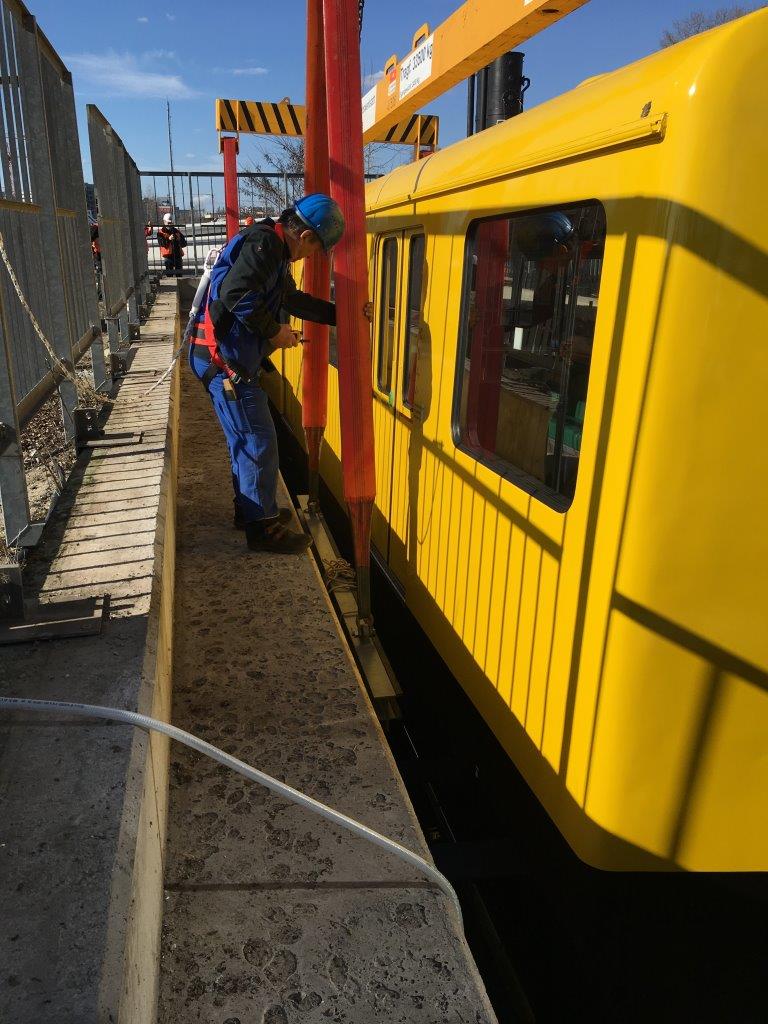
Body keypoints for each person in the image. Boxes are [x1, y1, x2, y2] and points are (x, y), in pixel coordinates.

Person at [189, 193, 372, 554]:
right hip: (224, 364)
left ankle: (251, 512)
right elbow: (235, 293)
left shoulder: (270, 247)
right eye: (315, 248)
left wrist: (343, 314)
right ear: (304, 237)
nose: (311, 255)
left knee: (244, 439)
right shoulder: (265, 247)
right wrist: (275, 332)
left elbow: (291, 300)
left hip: (220, 359)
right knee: (258, 440)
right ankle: (263, 530)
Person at [157, 212, 186, 277]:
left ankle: (180, 286)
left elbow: (184, 244)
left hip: (178, 256)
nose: (170, 224)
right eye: (168, 223)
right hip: (168, 257)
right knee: (169, 276)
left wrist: (179, 240)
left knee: (179, 275)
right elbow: (161, 243)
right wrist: (168, 239)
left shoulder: (176, 231)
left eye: (171, 223)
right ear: (164, 222)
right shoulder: (160, 232)